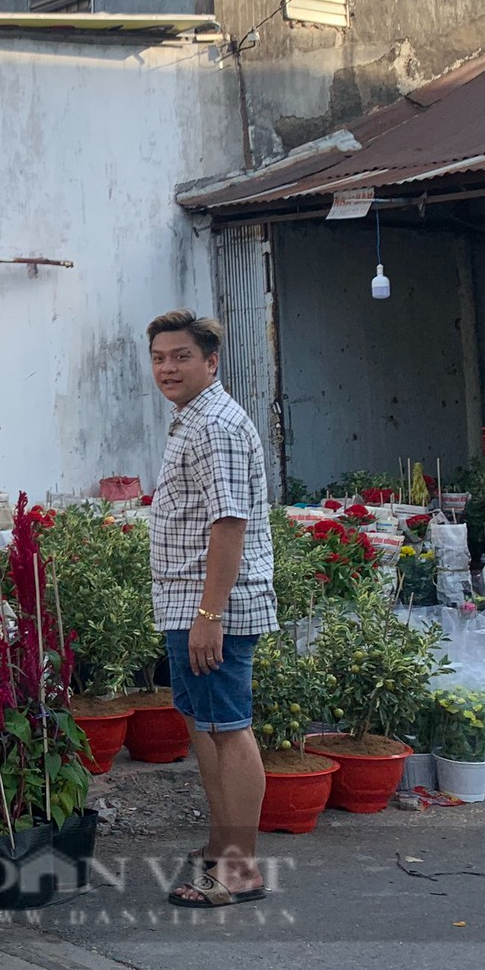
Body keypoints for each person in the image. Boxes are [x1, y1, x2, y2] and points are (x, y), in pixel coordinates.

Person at [145, 309, 276, 910]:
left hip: (211, 606)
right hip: (188, 601)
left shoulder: (214, 426)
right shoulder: (191, 421)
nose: (168, 368)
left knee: (228, 726)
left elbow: (229, 525)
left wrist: (210, 615)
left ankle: (242, 866)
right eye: (159, 357)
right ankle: (225, 846)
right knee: (206, 726)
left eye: (181, 356)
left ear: (211, 361)